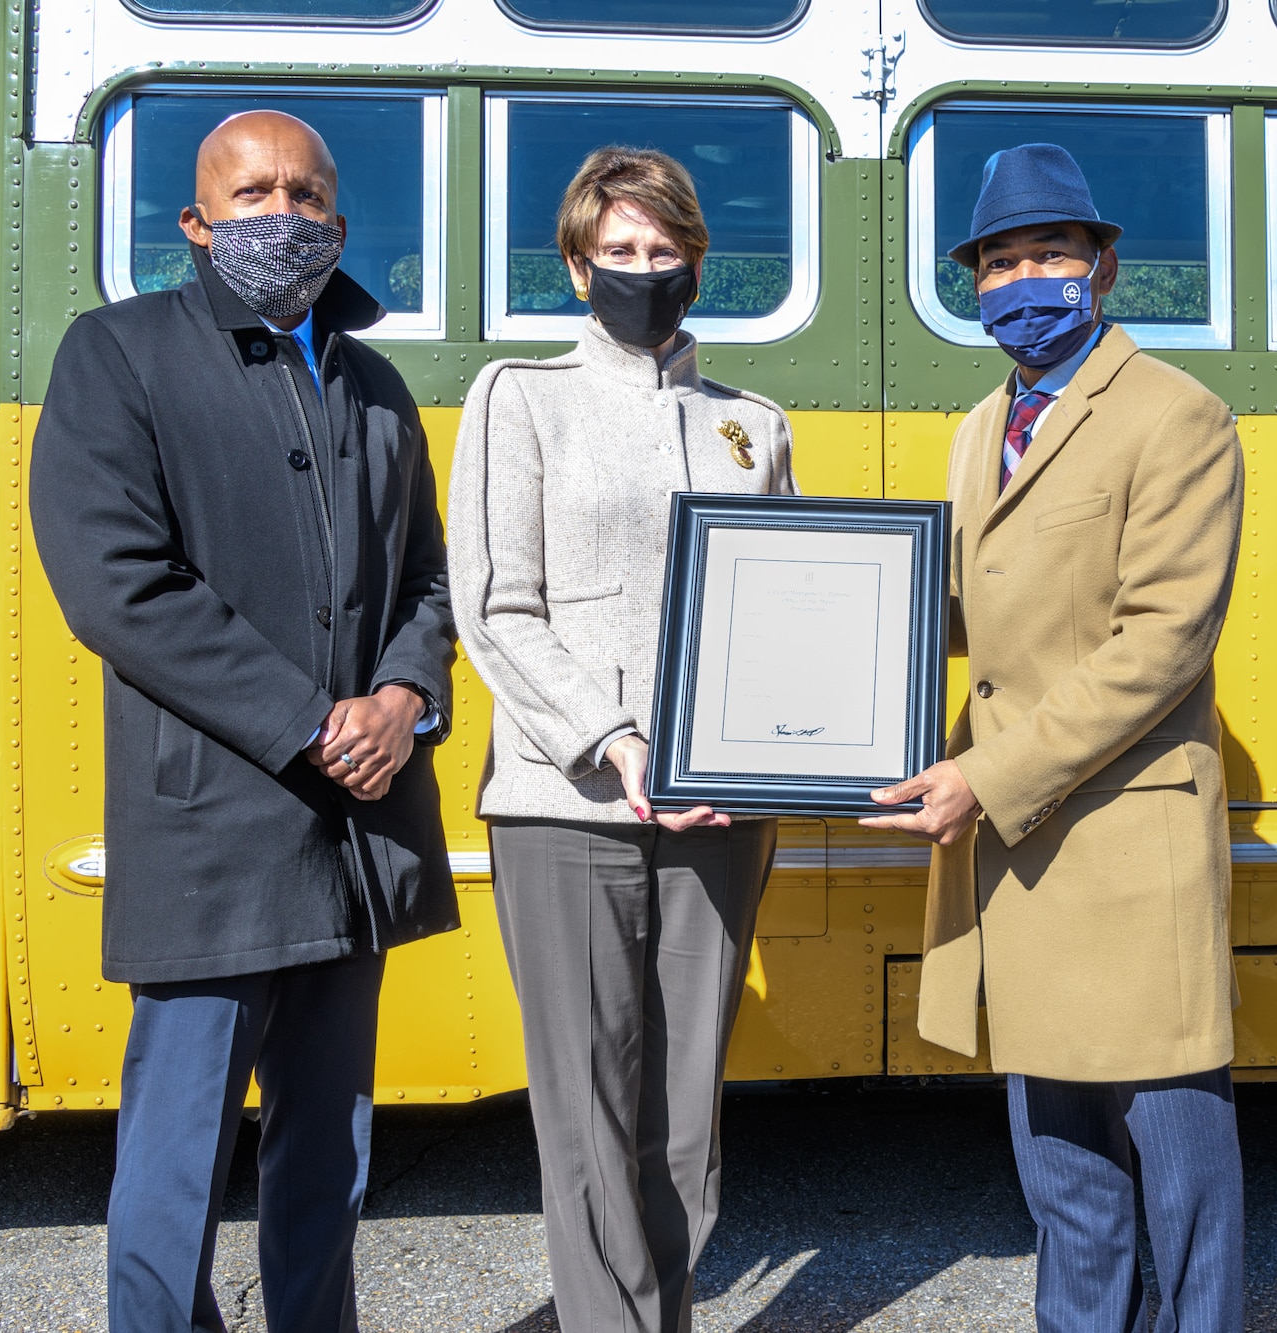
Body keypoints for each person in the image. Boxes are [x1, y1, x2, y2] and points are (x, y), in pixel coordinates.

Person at [29, 110, 457, 1332]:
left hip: (358, 840)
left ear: (338, 216)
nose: (283, 214)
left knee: (328, 1158)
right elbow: (118, 584)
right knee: (175, 1163)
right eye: (253, 192)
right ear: (195, 223)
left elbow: (429, 579)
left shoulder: (374, 382)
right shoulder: (116, 355)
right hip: (212, 829)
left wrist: (403, 697)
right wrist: (315, 721)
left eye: (307, 193)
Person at [864, 143, 1246, 1332]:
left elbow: (1159, 643)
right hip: (1020, 854)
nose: (1024, 278)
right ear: (972, 283)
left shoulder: (1177, 416)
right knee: (1061, 1170)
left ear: (1103, 266)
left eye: (1050, 254)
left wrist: (980, 777)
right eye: (1000, 261)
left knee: (1178, 1169)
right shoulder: (981, 425)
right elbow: (980, 607)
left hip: (1123, 852)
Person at [447, 146, 797, 1333]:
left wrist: (776, 749)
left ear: (696, 263)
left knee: (684, 1112)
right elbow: (494, 605)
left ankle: (667, 1315)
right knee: (589, 1111)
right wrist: (613, 741)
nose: (641, 270)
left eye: (663, 251)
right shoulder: (518, 397)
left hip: (719, 810)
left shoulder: (755, 424)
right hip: (570, 803)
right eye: (619, 251)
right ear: (577, 262)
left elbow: (788, 606)